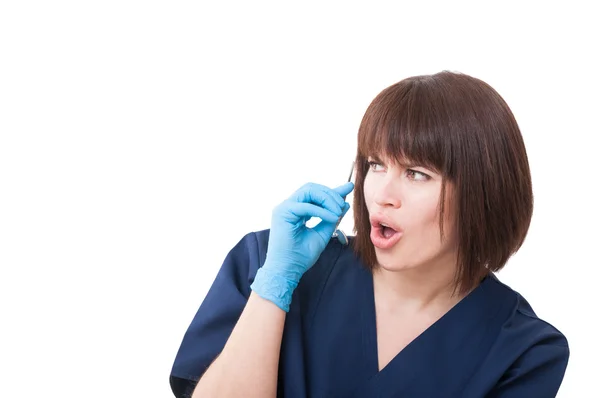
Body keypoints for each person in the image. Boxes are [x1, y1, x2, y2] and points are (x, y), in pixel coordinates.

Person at [169, 71, 569, 397]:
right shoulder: (264, 261)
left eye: (416, 173)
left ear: (484, 195)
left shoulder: (522, 351)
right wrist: (274, 286)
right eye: (375, 165)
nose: (382, 195)